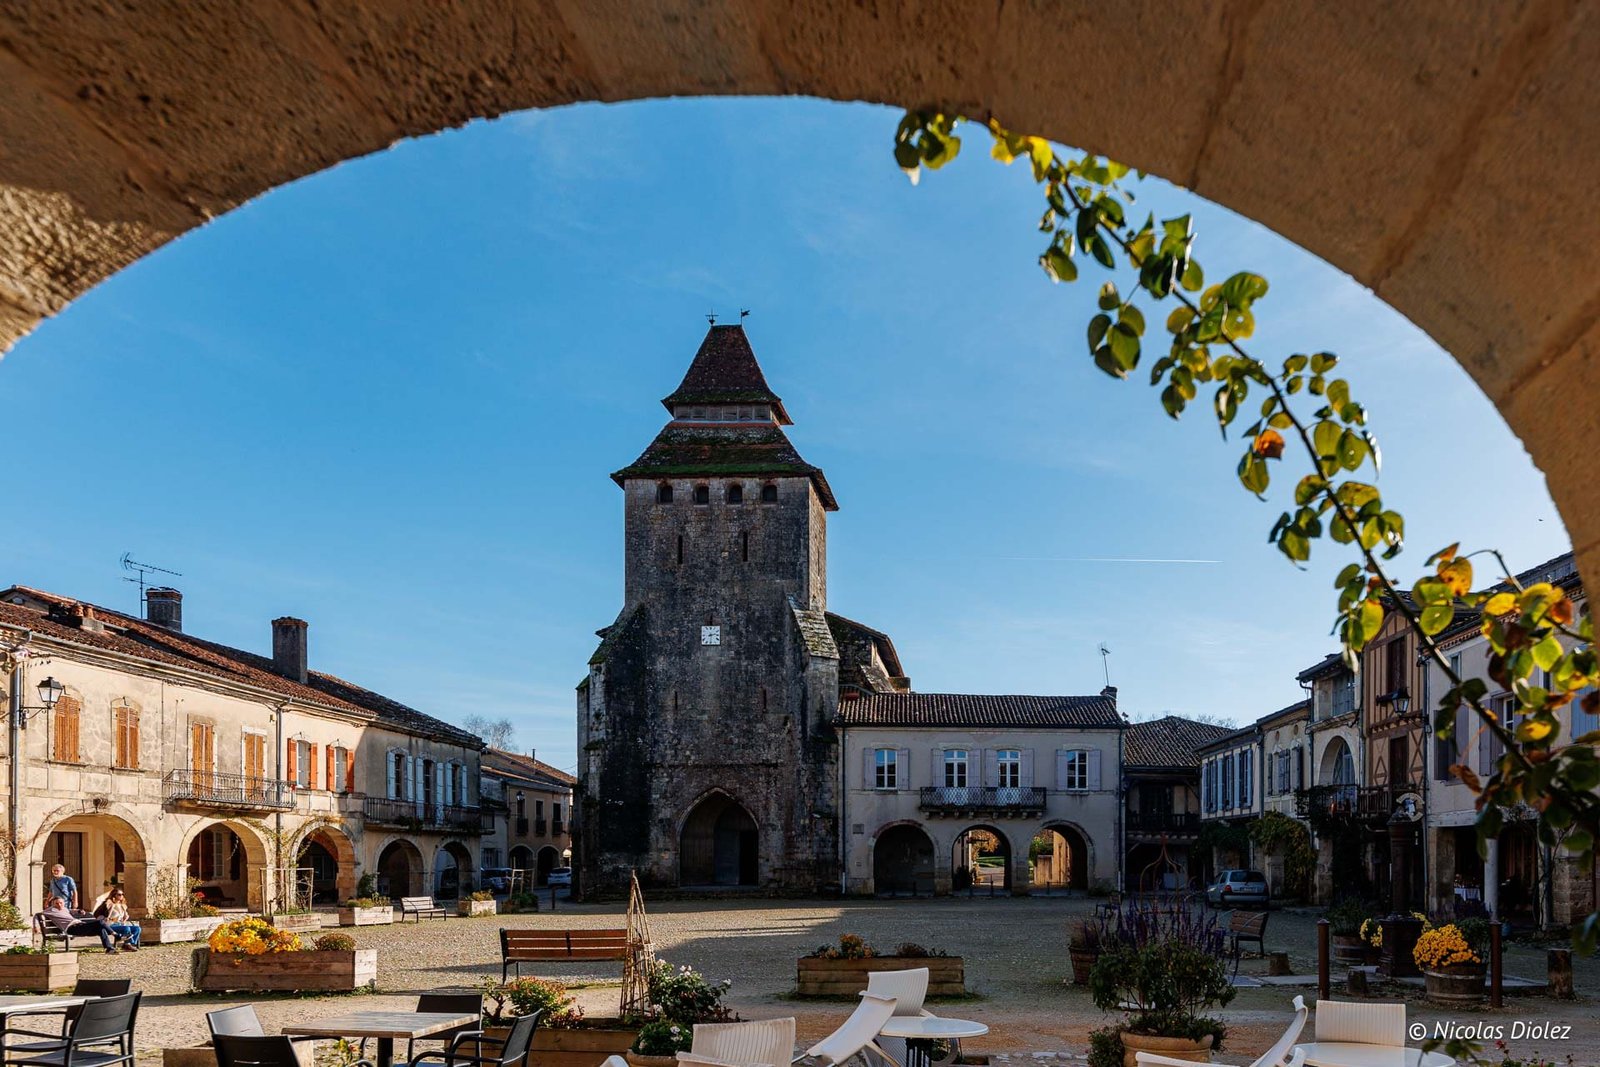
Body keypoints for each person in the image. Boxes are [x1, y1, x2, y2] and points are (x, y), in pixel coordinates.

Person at [38, 896, 118, 954]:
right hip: (71, 928)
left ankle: (109, 949)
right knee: (100, 922)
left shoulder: (64, 909)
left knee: (101, 929)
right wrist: (36, 926)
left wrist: (79, 911)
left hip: (80, 925)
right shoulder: (50, 911)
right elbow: (37, 915)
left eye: (61, 903)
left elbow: (71, 911)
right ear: (53, 904)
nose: (59, 905)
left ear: (63, 903)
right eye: (57, 903)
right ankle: (116, 935)